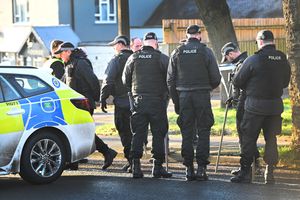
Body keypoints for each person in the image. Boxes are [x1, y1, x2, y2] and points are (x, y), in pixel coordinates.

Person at [231, 30, 291, 184]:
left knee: (249, 139)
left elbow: (237, 81)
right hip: (275, 107)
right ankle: (270, 173)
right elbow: (285, 82)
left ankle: (245, 173)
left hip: (255, 107)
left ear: (260, 41)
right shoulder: (282, 58)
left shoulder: (253, 59)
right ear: (273, 41)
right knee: (271, 139)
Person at [167, 25, 221, 181]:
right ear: (199, 35)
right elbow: (216, 78)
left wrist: (177, 101)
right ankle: (202, 169)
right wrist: (206, 89)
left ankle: (189, 169)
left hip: (184, 96)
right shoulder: (206, 51)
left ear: (186, 35)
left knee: (187, 132)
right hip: (202, 95)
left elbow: (170, 80)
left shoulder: (177, 52)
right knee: (204, 131)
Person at [55, 42, 118, 170]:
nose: (60, 57)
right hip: (74, 104)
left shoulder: (80, 63)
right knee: (76, 132)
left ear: (68, 52)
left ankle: (107, 152)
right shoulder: (69, 64)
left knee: (83, 132)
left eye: (61, 53)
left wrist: (94, 100)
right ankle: (74, 161)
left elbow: (93, 81)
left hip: (83, 104)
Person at [122, 32, 172, 179]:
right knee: (158, 133)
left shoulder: (133, 57)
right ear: (156, 43)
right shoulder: (162, 58)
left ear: (144, 43)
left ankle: (136, 167)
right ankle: (157, 167)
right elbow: (170, 79)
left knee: (138, 133)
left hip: (139, 101)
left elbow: (125, 80)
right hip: (157, 101)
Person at [221, 42, 261, 175]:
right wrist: (233, 97)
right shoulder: (244, 62)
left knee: (245, 137)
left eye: (227, 57)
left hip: (244, 105)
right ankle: (253, 166)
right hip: (243, 103)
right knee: (247, 136)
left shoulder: (244, 63)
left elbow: (243, 85)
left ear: (231, 53)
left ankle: (249, 168)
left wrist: (237, 98)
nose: (227, 60)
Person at [101, 35, 133, 172]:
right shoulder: (136, 58)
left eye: (115, 45)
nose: (114, 48)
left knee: (125, 132)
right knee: (135, 132)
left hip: (122, 102)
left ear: (120, 44)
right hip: (137, 101)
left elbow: (108, 80)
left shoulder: (117, 60)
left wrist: (103, 97)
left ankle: (132, 160)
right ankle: (134, 161)